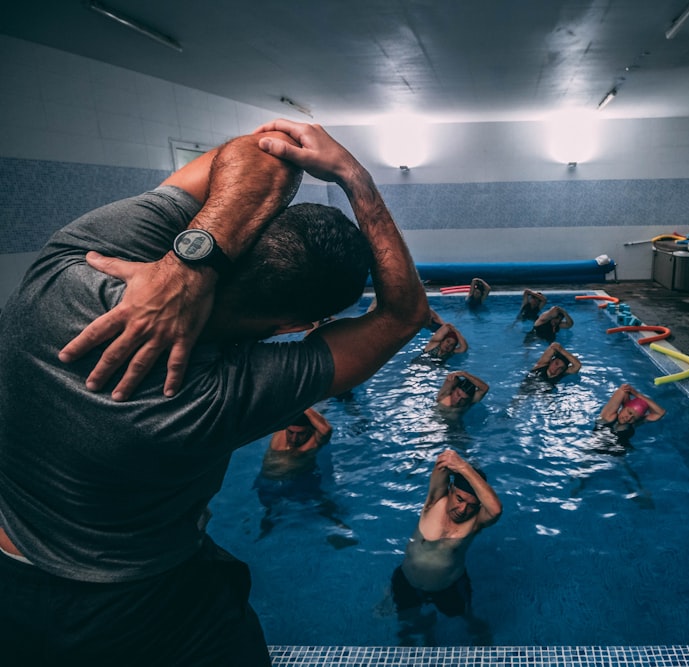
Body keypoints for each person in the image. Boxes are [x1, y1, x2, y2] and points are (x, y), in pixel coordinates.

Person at [0, 119, 430, 665]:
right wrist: (356, 180)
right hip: (131, 603)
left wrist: (191, 262)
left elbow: (261, 150)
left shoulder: (75, 266)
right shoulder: (209, 398)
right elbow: (403, 315)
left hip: (9, 568)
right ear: (292, 327)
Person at [391, 449, 501, 644]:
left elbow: (496, 509)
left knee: (463, 615)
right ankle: (426, 627)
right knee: (407, 620)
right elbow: (443, 460)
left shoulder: (475, 522)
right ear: (450, 489)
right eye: (459, 499)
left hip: (449, 587)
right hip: (407, 580)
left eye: (471, 505)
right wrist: (457, 463)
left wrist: (464, 467)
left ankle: (474, 624)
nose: (462, 510)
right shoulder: (434, 501)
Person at [255, 408, 356, 548]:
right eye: (291, 432)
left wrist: (304, 406)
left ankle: (337, 526)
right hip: (268, 481)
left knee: (319, 502)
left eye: (300, 434)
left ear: (310, 430)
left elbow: (326, 429)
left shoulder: (313, 442)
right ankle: (267, 529)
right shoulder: (280, 430)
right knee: (269, 508)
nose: (294, 438)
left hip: (299, 479)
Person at [594, 383, 666, 443]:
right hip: (595, 450)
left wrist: (638, 395)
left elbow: (660, 413)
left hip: (618, 455)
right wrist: (631, 394)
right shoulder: (608, 415)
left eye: (633, 417)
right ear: (624, 407)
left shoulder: (634, 423)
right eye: (629, 412)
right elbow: (622, 391)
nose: (628, 418)